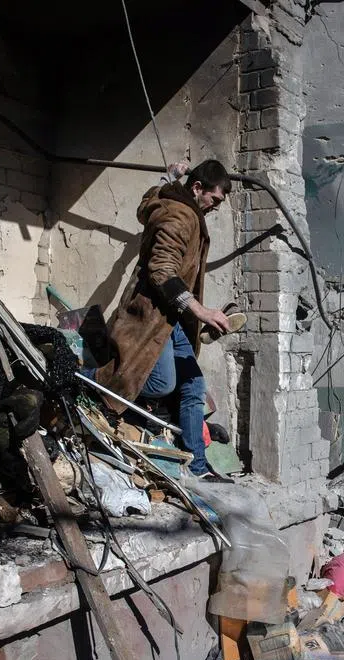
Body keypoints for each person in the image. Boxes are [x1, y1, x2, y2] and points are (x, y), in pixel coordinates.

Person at [96, 159, 238, 482]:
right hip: (152, 317)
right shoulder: (179, 215)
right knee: (161, 383)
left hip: (172, 318)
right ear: (198, 188)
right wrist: (202, 312)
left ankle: (198, 467)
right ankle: (90, 377)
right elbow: (162, 270)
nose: (214, 207)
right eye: (213, 200)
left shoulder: (171, 202)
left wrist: (169, 177)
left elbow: (146, 205)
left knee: (193, 385)